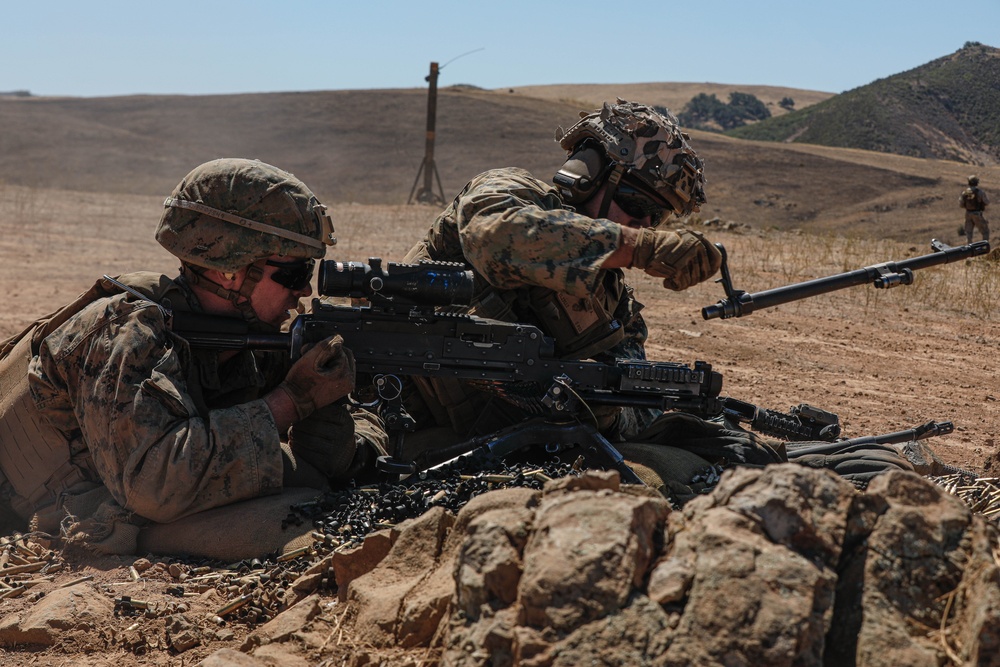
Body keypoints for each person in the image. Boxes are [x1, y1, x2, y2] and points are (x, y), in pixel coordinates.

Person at [400, 99, 914, 498]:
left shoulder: (613, 303)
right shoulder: (509, 192)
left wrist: (613, 409)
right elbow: (498, 238)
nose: (643, 224)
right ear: (587, 171)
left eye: (656, 219)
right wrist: (640, 248)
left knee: (719, 452)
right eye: (636, 204)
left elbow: (629, 404)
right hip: (402, 423)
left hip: (511, 441)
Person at [0, 158, 386, 558]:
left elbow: (336, 457)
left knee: (313, 491)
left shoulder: (246, 335)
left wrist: (328, 403)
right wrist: (291, 401)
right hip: (29, 506)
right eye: (293, 272)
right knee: (294, 516)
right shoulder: (126, 334)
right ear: (232, 271)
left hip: (114, 489)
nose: (304, 289)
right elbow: (154, 485)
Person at [959, 175, 989, 243]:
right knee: (985, 232)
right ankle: (985, 247)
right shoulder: (980, 192)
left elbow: (961, 204)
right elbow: (986, 202)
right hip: (977, 213)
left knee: (968, 234)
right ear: (976, 183)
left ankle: (969, 249)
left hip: (968, 214)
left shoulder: (965, 193)